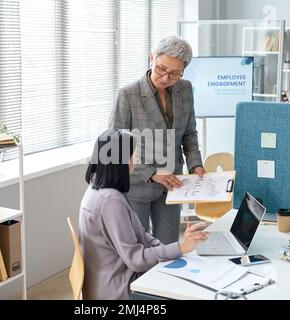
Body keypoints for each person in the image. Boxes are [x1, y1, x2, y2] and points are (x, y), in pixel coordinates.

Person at [79, 129, 208, 300]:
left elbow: (138, 234)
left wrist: (172, 249)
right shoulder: (111, 202)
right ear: (122, 160)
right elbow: (136, 259)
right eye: (134, 156)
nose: (136, 161)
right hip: (120, 289)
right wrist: (181, 248)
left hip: (107, 279)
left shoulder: (96, 189)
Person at [109, 35, 205, 244]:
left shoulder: (185, 89)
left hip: (172, 184)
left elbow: (189, 133)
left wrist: (195, 164)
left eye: (174, 74)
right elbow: (114, 145)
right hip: (137, 184)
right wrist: (151, 173)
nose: (165, 77)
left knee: (169, 247)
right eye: (161, 69)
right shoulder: (128, 94)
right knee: (137, 250)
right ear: (150, 58)